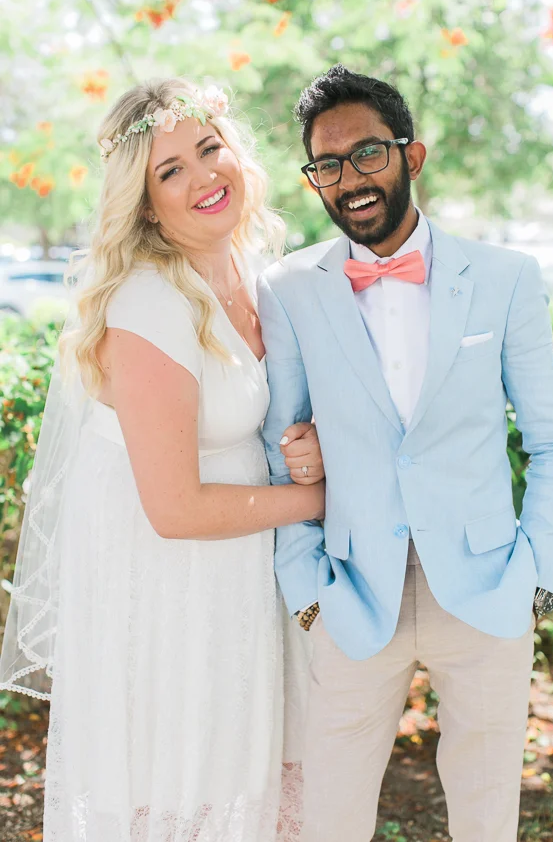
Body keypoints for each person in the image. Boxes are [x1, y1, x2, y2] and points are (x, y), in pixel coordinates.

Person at [258, 65, 553, 842]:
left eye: (367, 154)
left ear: (413, 155)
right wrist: (306, 589)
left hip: (488, 589)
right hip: (350, 595)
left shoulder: (505, 277)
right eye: (327, 165)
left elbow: (552, 440)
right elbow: (280, 446)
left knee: (486, 817)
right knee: (330, 819)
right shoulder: (287, 288)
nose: (350, 179)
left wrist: (539, 577)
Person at [0, 78, 325, 842]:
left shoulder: (250, 270)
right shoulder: (149, 300)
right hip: (167, 587)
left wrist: (312, 445)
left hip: (238, 568)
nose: (203, 176)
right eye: (170, 170)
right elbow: (175, 508)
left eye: (209, 149)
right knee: (185, 785)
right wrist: (327, 497)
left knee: (241, 779)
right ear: (144, 204)